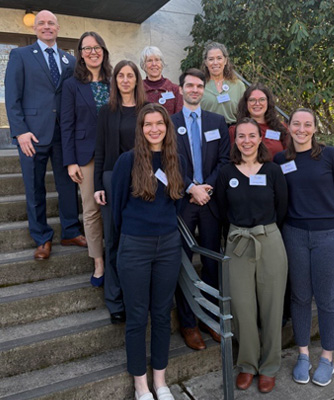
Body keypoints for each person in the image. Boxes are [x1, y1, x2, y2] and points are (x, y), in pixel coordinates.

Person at [111, 103, 185, 400]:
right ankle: (141, 385)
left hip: (168, 245)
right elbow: (116, 210)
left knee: (163, 315)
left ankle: (160, 381)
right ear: (140, 130)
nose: (154, 128)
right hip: (135, 246)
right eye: (147, 124)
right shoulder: (127, 161)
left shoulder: (175, 160)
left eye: (160, 123)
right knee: (138, 317)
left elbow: (175, 203)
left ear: (167, 128)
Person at [273, 108, 334, 388]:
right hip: (293, 234)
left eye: (307, 124)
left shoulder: (331, 156)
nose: (302, 129)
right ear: (289, 127)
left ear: (315, 128)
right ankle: (303, 354)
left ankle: (327, 358)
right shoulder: (281, 159)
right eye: (296, 124)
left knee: (327, 298)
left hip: (329, 236)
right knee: (300, 297)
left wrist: (325, 218)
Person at [4, 9, 86, 261]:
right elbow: (12, 96)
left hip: (63, 135)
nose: (47, 27)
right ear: (35, 28)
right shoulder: (20, 55)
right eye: (42, 23)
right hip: (32, 135)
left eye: (51, 23)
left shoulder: (69, 60)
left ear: (58, 27)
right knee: (34, 187)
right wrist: (20, 132)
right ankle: (41, 238)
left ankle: (71, 230)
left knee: (68, 185)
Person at [215, 118, 288, 393]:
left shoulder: (273, 171)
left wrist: (265, 231)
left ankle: (269, 366)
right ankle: (247, 365)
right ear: (236, 140)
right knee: (242, 308)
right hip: (237, 243)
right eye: (241, 136)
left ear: (260, 139)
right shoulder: (226, 172)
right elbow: (222, 210)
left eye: (251, 135)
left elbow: (282, 207)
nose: (246, 140)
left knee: (271, 307)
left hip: (269, 241)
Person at [170, 68, 230, 350]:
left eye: (199, 85)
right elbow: (167, 162)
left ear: (203, 90)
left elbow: (224, 159)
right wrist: (189, 188)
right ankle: (189, 323)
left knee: (211, 263)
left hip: (210, 201)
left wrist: (205, 188)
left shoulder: (217, 122)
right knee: (183, 263)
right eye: (189, 85)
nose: (194, 89)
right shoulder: (169, 123)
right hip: (183, 202)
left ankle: (209, 317)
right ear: (181, 89)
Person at [93, 59, 146, 324]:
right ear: (114, 81)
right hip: (113, 180)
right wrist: (98, 186)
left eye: (130, 75)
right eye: (120, 76)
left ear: (137, 80)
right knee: (113, 240)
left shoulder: (148, 110)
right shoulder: (106, 112)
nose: (125, 80)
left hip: (142, 181)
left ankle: (135, 298)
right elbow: (100, 150)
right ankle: (115, 301)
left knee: (137, 242)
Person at [60, 31, 112, 287]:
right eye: (87, 48)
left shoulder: (115, 81)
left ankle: (115, 257)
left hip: (116, 154)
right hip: (86, 156)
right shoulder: (71, 84)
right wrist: (70, 161)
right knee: (91, 211)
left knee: (116, 208)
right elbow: (66, 124)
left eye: (97, 47)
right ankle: (98, 262)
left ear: (104, 51)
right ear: (80, 53)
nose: (93, 52)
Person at [231, 82, 288, 155]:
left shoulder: (281, 128)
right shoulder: (235, 131)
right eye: (252, 100)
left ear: (268, 102)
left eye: (262, 99)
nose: (257, 103)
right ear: (246, 103)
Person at [199, 42, 246, 125]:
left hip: (232, 132)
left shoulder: (238, 85)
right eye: (211, 59)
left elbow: (245, 114)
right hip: (208, 132)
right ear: (206, 63)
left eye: (219, 58)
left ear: (225, 61)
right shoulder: (199, 86)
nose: (215, 63)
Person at [140, 46, 183, 115]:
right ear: (143, 65)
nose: (154, 64)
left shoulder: (175, 90)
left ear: (162, 63)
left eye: (157, 60)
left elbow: (179, 117)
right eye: (149, 60)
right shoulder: (138, 90)